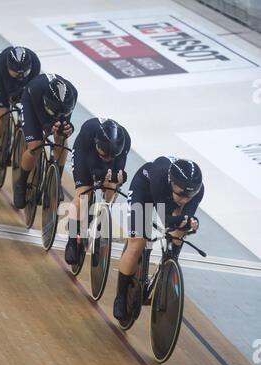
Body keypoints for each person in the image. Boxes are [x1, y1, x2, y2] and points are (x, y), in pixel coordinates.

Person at [113, 156, 204, 321]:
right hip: (145, 190)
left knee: (181, 225)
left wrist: (190, 222)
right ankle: (120, 297)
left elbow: (184, 217)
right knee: (137, 242)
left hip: (166, 199)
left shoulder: (196, 191)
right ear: (172, 183)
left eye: (188, 196)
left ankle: (171, 259)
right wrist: (181, 221)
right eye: (181, 194)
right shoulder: (160, 178)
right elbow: (166, 219)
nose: (184, 199)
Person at [65, 117, 131, 265]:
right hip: (85, 153)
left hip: (108, 153)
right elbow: (93, 169)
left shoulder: (124, 141)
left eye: (110, 156)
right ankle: (71, 241)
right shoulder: (89, 133)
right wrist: (101, 175)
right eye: (103, 155)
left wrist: (117, 177)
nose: (106, 158)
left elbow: (119, 170)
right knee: (83, 194)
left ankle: (103, 216)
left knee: (111, 184)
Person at [13, 73, 78, 209]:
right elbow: (44, 123)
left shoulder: (72, 95)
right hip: (31, 103)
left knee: (61, 138)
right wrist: (48, 126)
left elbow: (65, 122)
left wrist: (67, 128)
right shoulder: (37, 89)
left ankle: (56, 181)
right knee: (35, 146)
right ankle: (21, 183)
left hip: (56, 107)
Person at [0, 46, 41, 170]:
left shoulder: (35, 63)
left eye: (23, 73)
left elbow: (32, 88)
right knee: (2, 115)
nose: (20, 76)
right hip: (2, 78)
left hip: (25, 83)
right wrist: (15, 95)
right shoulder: (2, 63)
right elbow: (11, 92)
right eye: (16, 73)